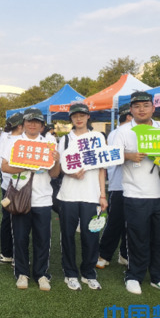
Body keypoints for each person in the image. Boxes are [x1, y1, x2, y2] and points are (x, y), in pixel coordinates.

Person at [114, 91, 160, 296]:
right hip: (136, 194)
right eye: (137, 106)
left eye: (145, 105)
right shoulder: (122, 131)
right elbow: (111, 157)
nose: (141, 109)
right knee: (137, 238)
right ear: (131, 110)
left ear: (153, 108)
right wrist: (129, 155)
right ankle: (134, 276)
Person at [1, 108, 60, 291]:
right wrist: (28, 166)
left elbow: (55, 174)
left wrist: (57, 160)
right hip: (20, 196)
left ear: (42, 125)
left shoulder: (49, 143)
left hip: (43, 198)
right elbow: (5, 167)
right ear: (23, 123)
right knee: (20, 238)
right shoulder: (14, 142)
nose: (32, 124)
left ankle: (41, 274)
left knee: (43, 239)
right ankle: (22, 273)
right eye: (29, 121)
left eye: (37, 122)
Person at [57, 103, 108, 291]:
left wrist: (103, 195)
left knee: (91, 235)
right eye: (75, 116)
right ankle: (70, 273)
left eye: (82, 115)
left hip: (91, 195)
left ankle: (88, 273)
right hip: (68, 195)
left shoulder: (98, 137)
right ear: (71, 118)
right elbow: (59, 167)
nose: (78, 119)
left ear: (88, 117)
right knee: (68, 236)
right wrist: (70, 173)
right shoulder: (65, 140)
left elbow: (102, 168)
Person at [96, 104, 132, 269]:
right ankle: (104, 254)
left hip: (131, 186)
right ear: (129, 116)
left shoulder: (119, 132)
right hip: (119, 185)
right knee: (115, 222)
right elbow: (115, 157)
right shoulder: (118, 133)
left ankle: (124, 254)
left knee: (129, 223)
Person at [0, 120, 14, 264]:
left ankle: (7, 252)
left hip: (6, 183)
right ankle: (10, 252)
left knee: (7, 218)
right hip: (13, 184)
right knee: (15, 219)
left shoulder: (5, 137)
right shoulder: (12, 139)